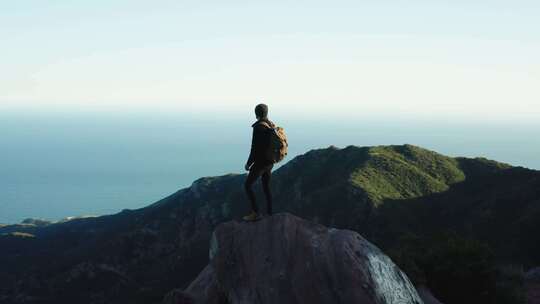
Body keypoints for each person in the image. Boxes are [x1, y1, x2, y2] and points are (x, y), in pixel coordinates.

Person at [243, 103, 275, 221]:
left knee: (247, 186)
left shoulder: (258, 127)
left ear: (256, 114)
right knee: (266, 187)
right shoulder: (270, 124)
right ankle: (270, 213)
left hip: (261, 163)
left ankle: (256, 213)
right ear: (266, 113)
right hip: (270, 162)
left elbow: (254, 148)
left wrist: (248, 164)